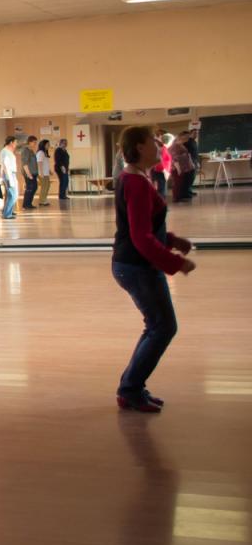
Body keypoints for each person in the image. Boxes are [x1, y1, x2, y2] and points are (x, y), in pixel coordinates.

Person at [111, 126, 197, 412]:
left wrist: (172, 241)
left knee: (158, 326)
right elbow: (140, 236)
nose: (159, 147)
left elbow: (145, 227)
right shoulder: (135, 182)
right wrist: (175, 263)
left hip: (135, 264)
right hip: (137, 266)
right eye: (154, 143)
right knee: (163, 327)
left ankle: (131, 388)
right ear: (139, 147)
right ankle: (130, 389)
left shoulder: (135, 177)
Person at [168, 132, 195, 203]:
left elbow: (186, 155)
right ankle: (176, 198)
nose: (187, 139)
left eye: (188, 137)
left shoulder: (179, 145)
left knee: (180, 183)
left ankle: (179, 197)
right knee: (177, 183)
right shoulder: (175, 146)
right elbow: (174, 158)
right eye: (186, 137)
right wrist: (178, 169)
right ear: (181, 137)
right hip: (177, 168)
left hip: (182, 167)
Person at [0, 136, 19, 220]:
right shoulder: (5, 151)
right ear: (11, 142)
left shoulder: (8, 151)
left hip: (12, 174)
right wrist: (9, 178)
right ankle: (6, 214)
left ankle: (8, 211)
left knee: (13, 194)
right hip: (9, 174)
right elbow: (6, 165)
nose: (16, 144)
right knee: (13, 194)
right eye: (15, 142)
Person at [19, 136, 39, 211]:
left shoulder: (31, 151)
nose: (35, 144)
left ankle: (29, 204)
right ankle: (25, 205)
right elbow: (24, 163)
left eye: (36, 142)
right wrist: (29, 174)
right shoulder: (25, 151)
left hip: (34, 173)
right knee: (30, 188)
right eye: (34, 142)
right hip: (29, 173)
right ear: (29, 142)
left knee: (34, 187)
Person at [36, 138, 53, 206]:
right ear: (43, 145)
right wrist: (41, 173)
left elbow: (45, 163)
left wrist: (49, 171)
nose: (49, 145)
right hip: (42, 173)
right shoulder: (40, 152)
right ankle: (42, 201)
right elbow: (39, 163)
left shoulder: (45, 153)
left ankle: (43, 199)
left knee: (47, 186)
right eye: (47, 144)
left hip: (46, 173)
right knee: (44, 187)